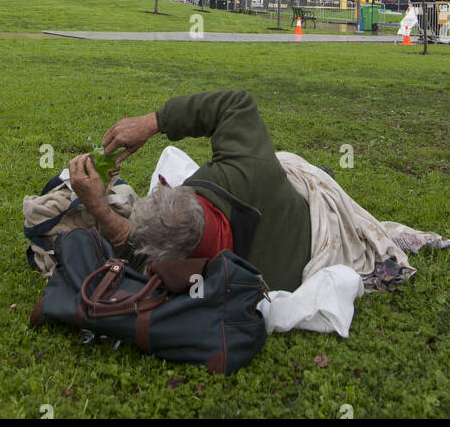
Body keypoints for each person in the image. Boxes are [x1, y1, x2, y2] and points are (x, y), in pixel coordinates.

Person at [68, 89, 312, 292]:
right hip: (289, 210)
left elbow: (133, 255)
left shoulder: (205, 285)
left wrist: (98, 207)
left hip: (301, 214)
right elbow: (237, 104)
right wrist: (153, 122)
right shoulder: (248, 168)